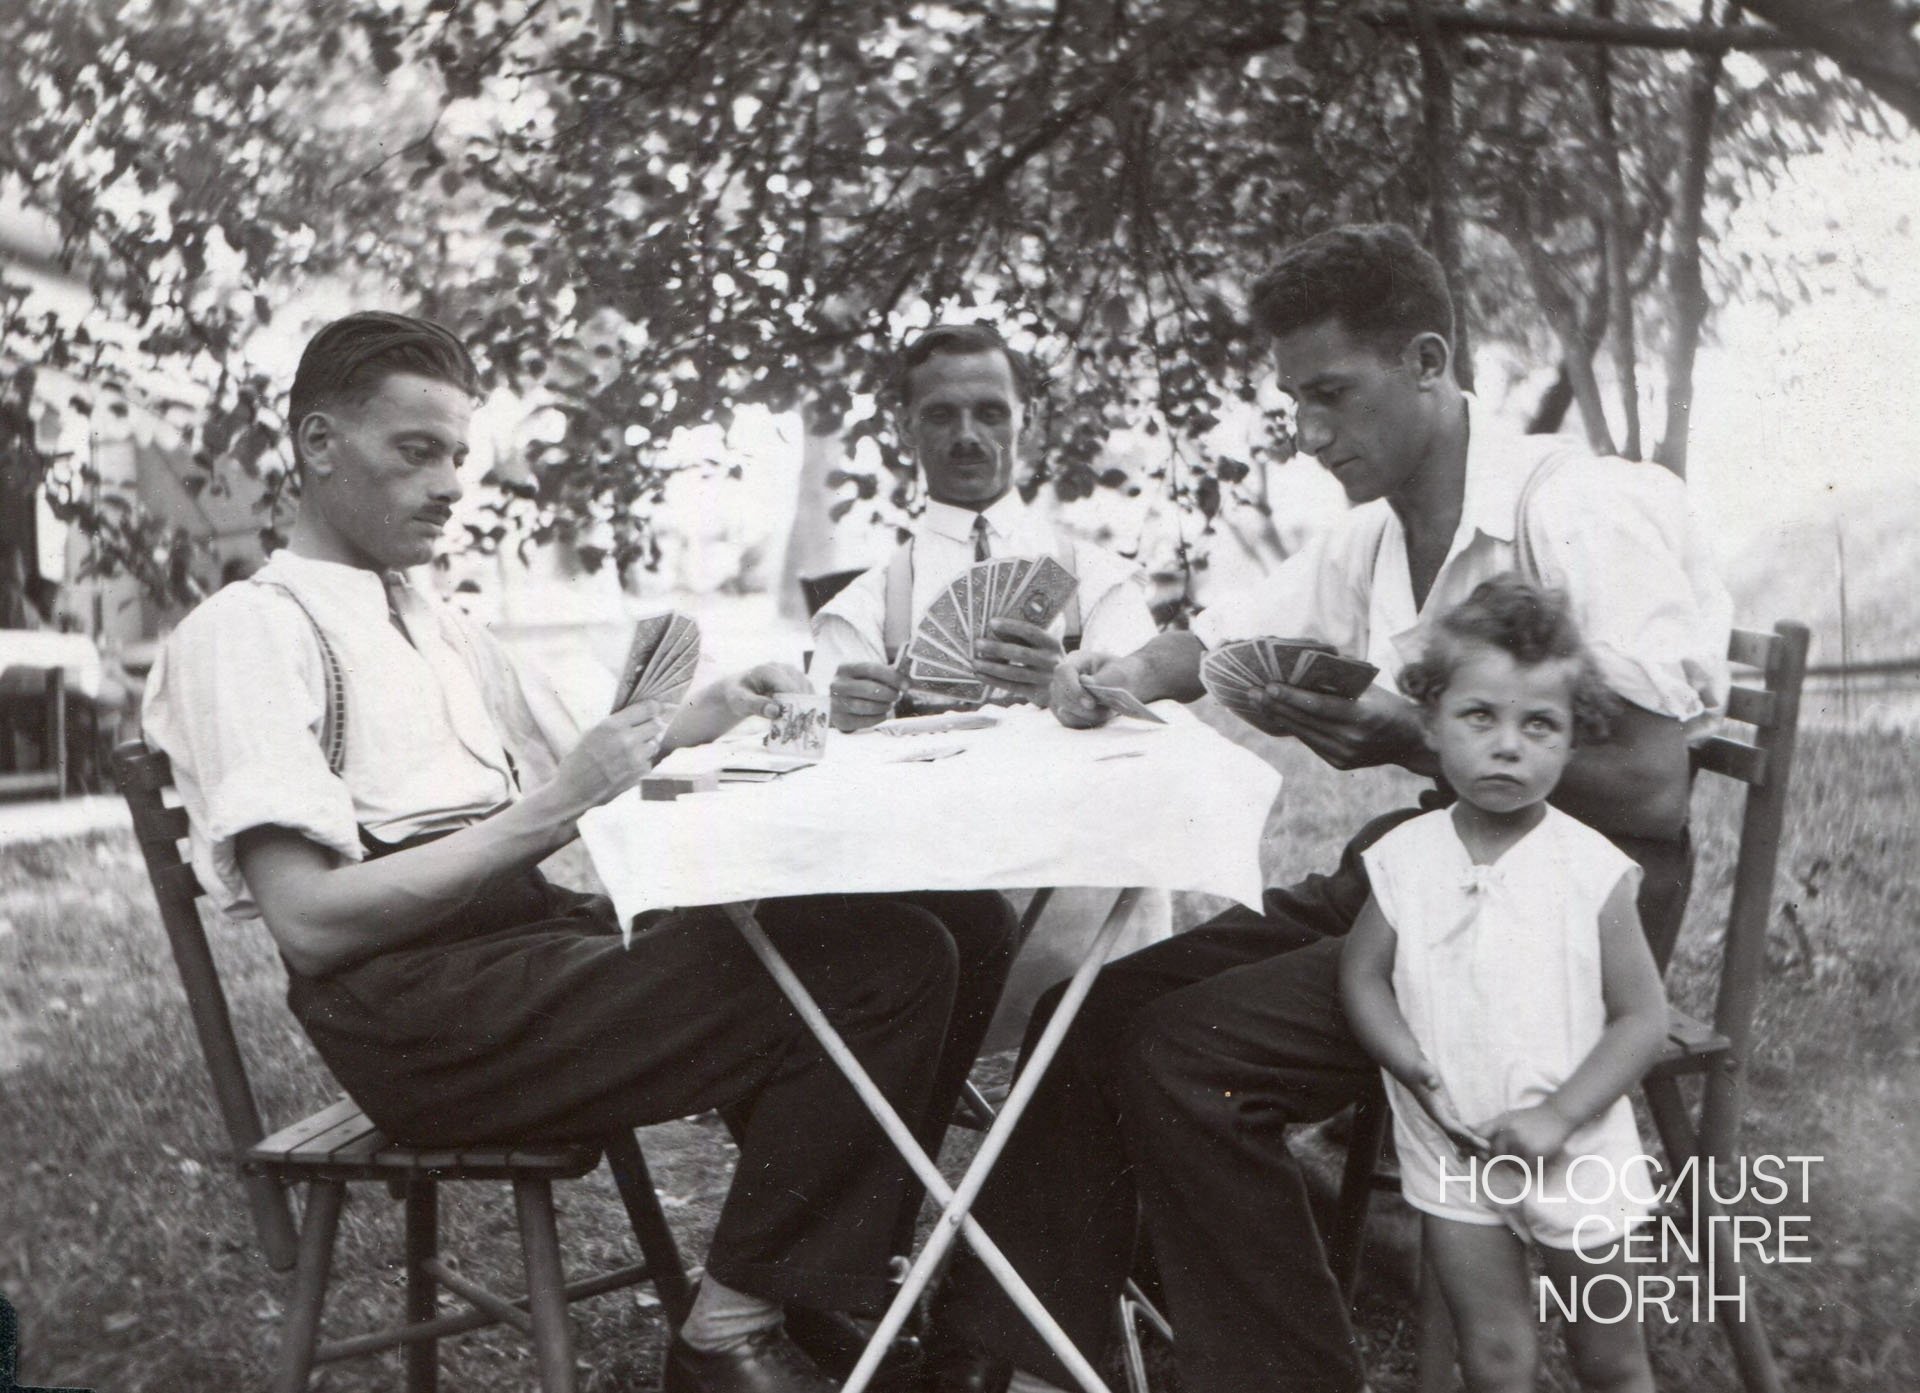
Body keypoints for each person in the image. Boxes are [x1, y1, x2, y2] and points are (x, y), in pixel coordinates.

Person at [919, 225, 1729, 1393]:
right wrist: (1109, 673)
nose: (1307, 432)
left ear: (1429, 361)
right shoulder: (1377, 531)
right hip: (1431, 868)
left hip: (1575, 911)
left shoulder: (1582, 509)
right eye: (1294, 400)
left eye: (1332, 393)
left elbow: (1653, 785)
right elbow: (1217, 641)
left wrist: (1414, 741)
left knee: (1184, 1056)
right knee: (1089, 1006)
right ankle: (997, 1360)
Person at [144, 312, 989, 1393]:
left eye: (458, 456)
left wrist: (712, 710)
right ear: (317, 442)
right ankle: (729, 1334)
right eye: (416, 451)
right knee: (881, 962)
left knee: (952, 922)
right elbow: (310, 924)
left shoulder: (437, 619)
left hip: (524, 949)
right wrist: (554, 809)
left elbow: (594, 752)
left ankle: (815, 1287)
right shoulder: (251, 629)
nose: (450, 484)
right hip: (417, 1016)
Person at [1341, 575, 1665, 1393]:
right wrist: (1406, 1060)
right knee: (1493, 1356)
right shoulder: (1405, 858)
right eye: (1480, 715)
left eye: (1539, 724)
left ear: (1573, 739)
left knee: (1610, 1360)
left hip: (1576, 1150)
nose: (1508, 745)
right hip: (1456, 1147)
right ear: (1430, 721)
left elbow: (1642, 1017)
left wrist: (1560, 1115)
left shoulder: (1589, 870)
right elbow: (1362, 974)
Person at [809, 322, 1168, 1050]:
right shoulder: (867, 604)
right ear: (904, 427)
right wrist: (838, 715)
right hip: (936, 915)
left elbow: (1158, 742)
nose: (967, 436)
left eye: (991, 412)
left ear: (1026, 418)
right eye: (941, 414)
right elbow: (806, 754)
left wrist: (1067, 692)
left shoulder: (1100, 582)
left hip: (1084, 906)